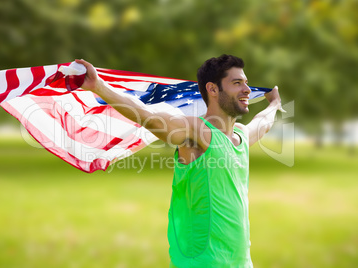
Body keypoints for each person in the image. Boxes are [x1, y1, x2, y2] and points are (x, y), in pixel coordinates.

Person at [75, 54, 282, 268]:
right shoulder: (196, 131)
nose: (247, 89)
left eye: (246, 83)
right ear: (212, 89)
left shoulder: (240, 137)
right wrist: (98, 86)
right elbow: (150, 117)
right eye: (237, 83)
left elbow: (263, 123)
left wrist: (274, 104)